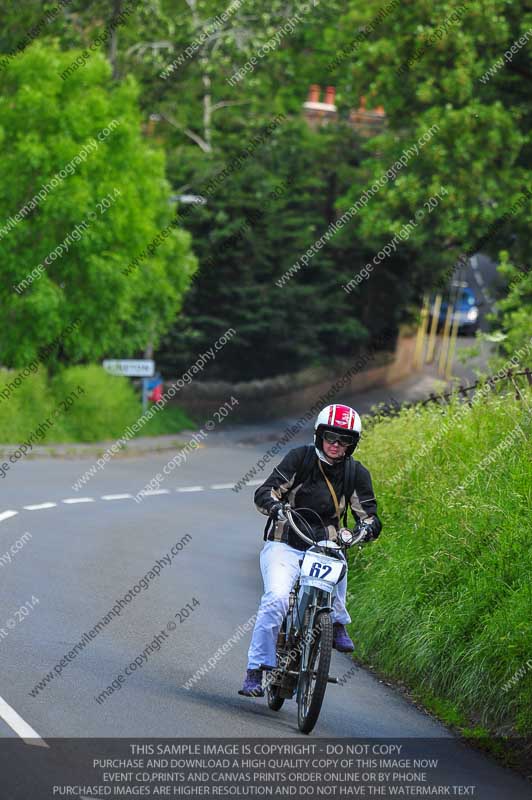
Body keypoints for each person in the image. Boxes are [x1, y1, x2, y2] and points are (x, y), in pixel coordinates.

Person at [239, 403, 382, 698]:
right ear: (319, 435)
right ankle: (256, 667)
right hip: (285, 542)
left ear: (352, 445)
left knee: (339, 561)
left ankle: (337, 622)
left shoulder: (355, 472)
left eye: (344, 440)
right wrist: (276, 507)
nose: (336, 445)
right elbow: (265, 491)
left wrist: (366, 529)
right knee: (276, 598)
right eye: (331, 437)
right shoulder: (300, 458)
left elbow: (368, 514)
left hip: (325, 545)